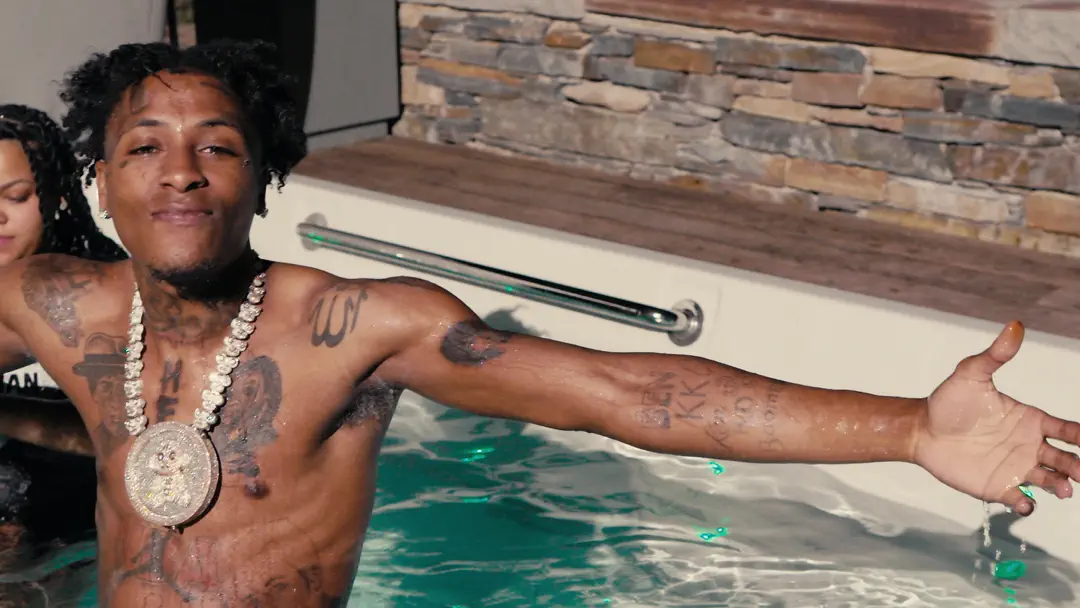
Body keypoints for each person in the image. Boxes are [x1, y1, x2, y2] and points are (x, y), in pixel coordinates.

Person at [0, 39, 1077, 606]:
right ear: (102, 180)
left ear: (266, 175)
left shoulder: (359, 327)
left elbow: (629, 394)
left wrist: (907, 427)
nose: (181, 172)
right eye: (145, 148)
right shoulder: (55, 303)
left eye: (219, 146)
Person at [0, 103, 126, 595]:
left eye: (16, 196)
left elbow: (137, 436)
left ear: (54, 195)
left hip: (68, 527)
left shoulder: (96, 291)